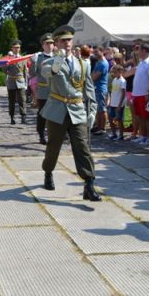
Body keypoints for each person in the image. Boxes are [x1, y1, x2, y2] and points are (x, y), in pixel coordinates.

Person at [40, 25, 100, 202]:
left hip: (77, 109)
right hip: (57, 109)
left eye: (69, 40)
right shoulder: (49, 62)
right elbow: (48, 73)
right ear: (56, 43)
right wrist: (58, 59)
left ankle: (89, 183)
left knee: (83, 147)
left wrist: (92, 111)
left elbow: (89, 89)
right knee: (53, 146)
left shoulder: (83, 64)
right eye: (63, 40)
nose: (67, 43)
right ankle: (48, 171)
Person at [130, 43, 149, 145]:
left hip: (144, 94)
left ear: (144, 51)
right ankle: (143, 135)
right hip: (137, 94)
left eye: (139, 50)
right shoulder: (141, 62)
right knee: (140, 116)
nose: (137, 52)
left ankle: (148, 137)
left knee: (147, 117)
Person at [33, 33, 54, 144]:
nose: (49, 45)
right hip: (43, 89)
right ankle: (41, 134)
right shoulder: (39, 58)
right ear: (43, 45)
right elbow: (33, 74)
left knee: (55, 113)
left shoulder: (58, 57)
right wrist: (33, 62)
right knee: (42, 113)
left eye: (51, 43)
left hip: (55, 90)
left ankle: (55, 133)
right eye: (47, 43)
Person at [5, 40, 27, 124]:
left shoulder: (23, 58)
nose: (16, 49)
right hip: (11, 81)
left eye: (18, 47)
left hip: (20, 81)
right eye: (15, 47)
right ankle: (12, 117)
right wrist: (6, 63)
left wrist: (26, 83)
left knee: (22, 100)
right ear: (12, 48)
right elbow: (5, 71)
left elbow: (25, 72)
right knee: (11, 101)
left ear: (20, 49)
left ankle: (23, 116)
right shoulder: (9, 59)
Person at [91, 46, 109, 135]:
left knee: (102, 109)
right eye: (94, 52)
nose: (95, 54)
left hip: (101, 88)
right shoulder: (98, 62)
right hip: (96, 88)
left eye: (96, 52)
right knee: (98, 109)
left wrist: (90, 78)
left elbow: (94, 77)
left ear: (102, 51)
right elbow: (92, 74)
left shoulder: (103, 63)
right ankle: (98, 126)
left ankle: (103, 128)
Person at [107, 65, 126, 140]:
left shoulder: (122, 81)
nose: (113, 74)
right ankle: (114, 133)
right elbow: (112, 92)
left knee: (119, 120)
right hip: (113, 103)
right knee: (111, 118)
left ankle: (121, 135)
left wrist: (119, 105)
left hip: (118, 104)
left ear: (120, 72)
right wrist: (110, 101)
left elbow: (123, 94)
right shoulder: (114, 80)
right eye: (113, 72)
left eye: (115, 72)